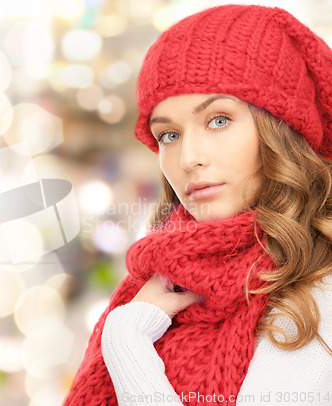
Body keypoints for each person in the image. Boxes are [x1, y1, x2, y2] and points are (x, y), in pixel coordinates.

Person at [63, 4, 332, 406]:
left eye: (218, 120)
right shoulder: (164, 277)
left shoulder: (316, 296)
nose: (188, 157)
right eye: (168, 135)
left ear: (282, 127)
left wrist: (126, 338)